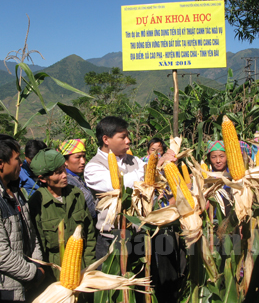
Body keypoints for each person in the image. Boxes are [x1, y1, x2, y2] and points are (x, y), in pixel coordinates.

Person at [84, 116, 176, 260]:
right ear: (106, 139)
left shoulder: (134, 160)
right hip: (112, 238)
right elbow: (120, 185)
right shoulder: (93, 167)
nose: (128, 141)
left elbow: (150, 180)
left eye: (128, 136)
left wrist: (164, 165)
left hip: (136, 235)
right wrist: (154, 167)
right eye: (123, 137)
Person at [0, 134, 44, 302]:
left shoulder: (15, 191)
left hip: (29, 280)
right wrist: (32, 272)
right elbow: (0, 253)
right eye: (16, 158)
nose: (21, 162)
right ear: (0, 164)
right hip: (8, 288)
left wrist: (37, 263)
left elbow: (31, 233)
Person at [28, 149, 96, 281]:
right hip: (55, 273)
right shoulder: (37, 203)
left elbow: (90, 233)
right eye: (58, 173)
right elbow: (38, 244)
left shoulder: (76, 195)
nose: (64, 175)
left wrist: (88, 265)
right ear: (42, 179)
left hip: (81, 268)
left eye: (64, 170)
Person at [58, 139, 97, 220]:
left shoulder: (76, 178)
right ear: (65, 161)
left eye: (83, 156)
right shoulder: (68, 181)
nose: (83, 161)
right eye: (78, 157)